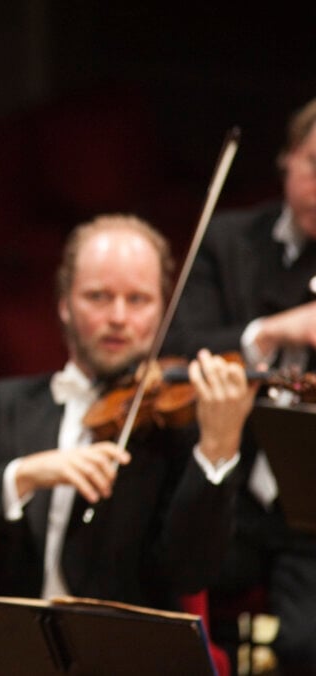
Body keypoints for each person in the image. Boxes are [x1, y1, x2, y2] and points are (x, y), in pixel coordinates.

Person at [0, 214, 257, 612]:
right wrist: (24, 474)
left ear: (162, 311)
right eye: (98, 297)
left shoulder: (180, 421)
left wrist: (217, 449)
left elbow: (190, 572)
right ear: (64, 305)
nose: (119, 318)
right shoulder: (10, 405)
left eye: (138, 300)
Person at [165, 97, 316, 673]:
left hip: (311, 518)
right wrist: (274, 332)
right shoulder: (229, 242)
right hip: (228, 496)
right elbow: (180, 349)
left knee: (305, 648)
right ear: (286, 161)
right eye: (314, 165)